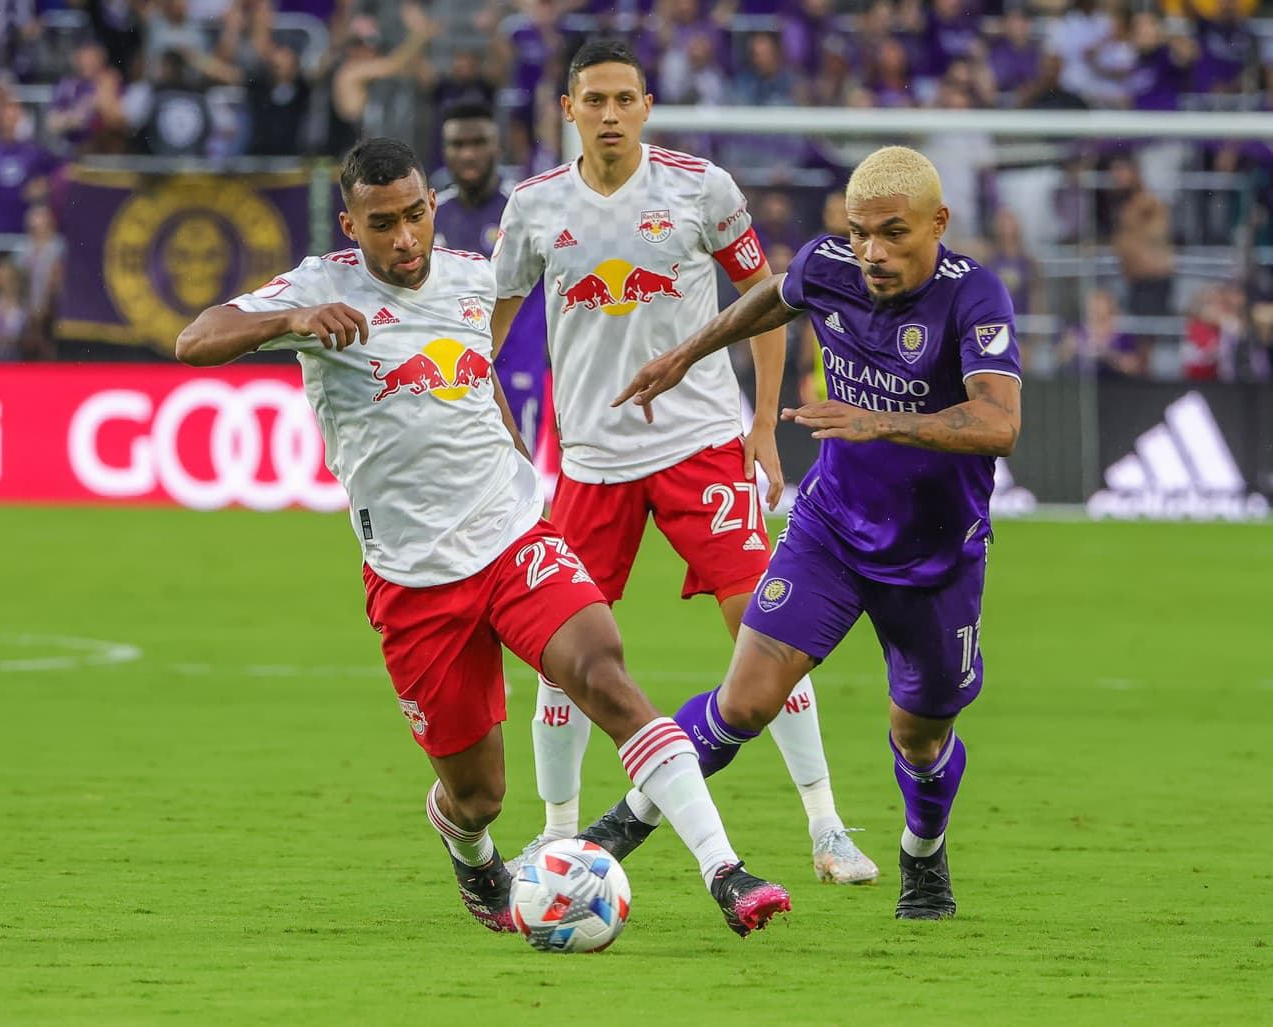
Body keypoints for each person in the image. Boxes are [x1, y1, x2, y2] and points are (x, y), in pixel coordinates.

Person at [173, 136, 789, 938]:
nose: (404, 238)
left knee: (603, 672)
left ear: (433, 206)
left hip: (511, 541)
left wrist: (516, 470)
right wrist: (290, 318)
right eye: (383, 222)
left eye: (416, 215)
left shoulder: (471, 276)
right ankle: (472, 853)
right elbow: (194, 341)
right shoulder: (321, 285)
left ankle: (725, 871)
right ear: (350, 223)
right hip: (414, 577)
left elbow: (478, 373)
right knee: (478, 794)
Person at [491, 39, 876, 886]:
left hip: (700, 446)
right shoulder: (534, 208)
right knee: (565, 654)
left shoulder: (702, 189)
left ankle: (826, 824)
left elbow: (770, 303)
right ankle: (558, 837)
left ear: (648, 105)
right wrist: (492, 420)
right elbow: (487, 326)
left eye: (625, 98)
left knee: (766, 630)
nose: (611, 114)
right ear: (569, 110)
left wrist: (765, 427)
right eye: (594, 100)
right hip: (591, 462)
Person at [607, 145, 1023, 920]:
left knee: (922, 737)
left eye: (893, 233)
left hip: (935, 556)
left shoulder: (976, 298)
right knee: (746, 699)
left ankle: (922, 854)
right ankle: (622, 824)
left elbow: (1000, 423)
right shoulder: (832, 265)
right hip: (830, 531)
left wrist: (876, 422)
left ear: (939, 223)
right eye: (860, 232)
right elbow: (774, 296)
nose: (872, 252)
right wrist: (687, 351)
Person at [433, 102, 548, 458]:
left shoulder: (525, 209)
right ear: (445, 151)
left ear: (498, 147)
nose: (468, 154)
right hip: (450, 373)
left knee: (518, 482)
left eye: (479, 142)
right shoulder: (432, 217)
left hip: (516, 367)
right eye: (457, 144)